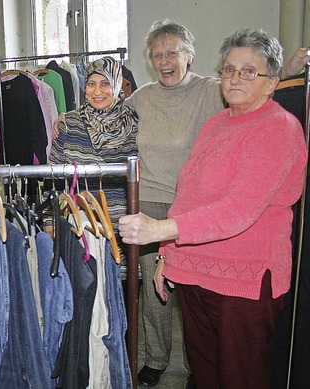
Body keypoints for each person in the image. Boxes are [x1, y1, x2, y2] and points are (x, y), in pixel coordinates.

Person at [120, 29, 307, 389]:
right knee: (205, 374)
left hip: (244, 282)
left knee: (240, 377)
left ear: (272, 82)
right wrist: (167, 255)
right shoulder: (217, 123)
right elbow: (188, 193)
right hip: (195, 274)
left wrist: (160, 230)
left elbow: (238, 210)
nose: (236, 78)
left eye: (250, 71)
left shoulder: (278, 128)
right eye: (230, 69)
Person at [121, 20, 226, 388]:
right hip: (149, 201)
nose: (165, 60)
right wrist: (65, 124)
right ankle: (156, 359)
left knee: (197, 290)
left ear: (189, 55)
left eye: (173, 52)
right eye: (158, 54)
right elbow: (108, 122)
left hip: (194, 205)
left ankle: (200, 364)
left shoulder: (211, 91)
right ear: (150, 61)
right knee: (154, 291)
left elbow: (254, 93)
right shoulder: (141, 98)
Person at [46, 56, 138, 242]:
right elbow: (53, 177)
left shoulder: (135, 124)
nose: (97, 91)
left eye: (105, 83)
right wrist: (49, 219)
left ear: (117, 84)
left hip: (126, 229)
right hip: (82, 228)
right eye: (91, 83)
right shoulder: (69, 124)